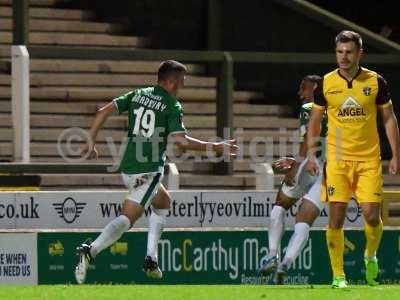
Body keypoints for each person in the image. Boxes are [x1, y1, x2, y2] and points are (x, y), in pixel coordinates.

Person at [74, 60, 238, 284]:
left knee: (162, 201)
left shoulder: (138, 94)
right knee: (127, 219)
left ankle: (151, 258)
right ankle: (90, 250)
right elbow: (181, 143)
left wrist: (91, 140)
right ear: (171, 82)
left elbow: (103, 111)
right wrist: (216, 147)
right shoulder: (171, 105)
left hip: (129, 165)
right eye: (182, 80)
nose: (184, 84)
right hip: (147, 171)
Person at [306, 30, 399, 288]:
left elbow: (388, 118)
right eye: (339, 52)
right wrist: (312, 154)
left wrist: (395, 155)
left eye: (348, 52)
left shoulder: (376, 81)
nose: (343, 57)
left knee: (371, 215)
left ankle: (370, 255)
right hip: (337, 161)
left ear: (360, 53)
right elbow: (315, 120)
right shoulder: (325, 83)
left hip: (369, 160)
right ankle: (338, 275)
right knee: (335, 218)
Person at [258, 75, 327, 284]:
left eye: (303, 88)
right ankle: (286, 263)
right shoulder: (337, 109)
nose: (300, 93)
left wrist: (296, 166)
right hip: (330, 173)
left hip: (308, 167)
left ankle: (272, 254)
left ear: (316, 88)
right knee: (303, 223)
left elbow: (309, 139)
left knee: (279, 206)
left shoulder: (310, 107)